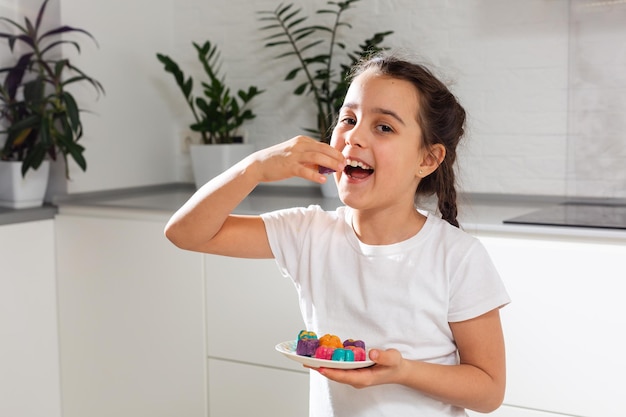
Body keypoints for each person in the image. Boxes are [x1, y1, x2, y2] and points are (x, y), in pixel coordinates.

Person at [165, 52, 510, 417]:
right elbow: (186, 233)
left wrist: (404, 371)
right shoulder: (309, 233)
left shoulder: (457, 256)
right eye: (348, 118)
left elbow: (488, 391)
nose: (354, 137)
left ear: (427, 160)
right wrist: (255, 168)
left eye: (384, 127)